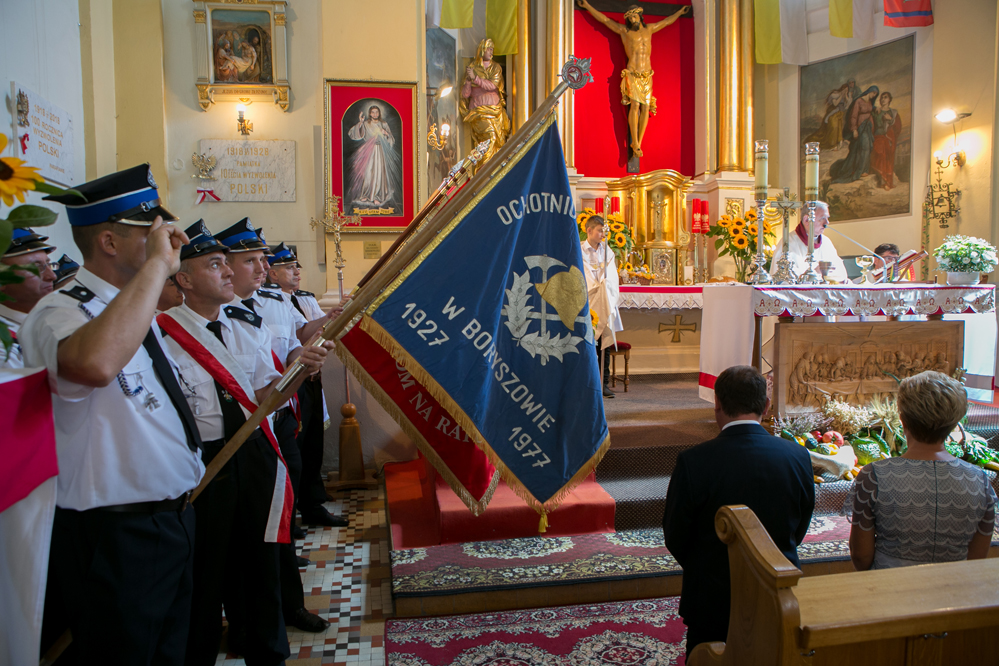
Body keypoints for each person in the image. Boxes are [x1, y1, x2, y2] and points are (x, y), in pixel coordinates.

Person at [22, 164, 204, 665]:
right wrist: (156, 269)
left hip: (170, 521)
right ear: (108, 242)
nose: (172, 240)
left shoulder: (132, 309)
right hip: (115, 535)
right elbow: (95, 365)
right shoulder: (58, 312)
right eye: (153, 232)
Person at [159, 223, 330, 664]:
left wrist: (300, 369)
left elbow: (266, 395)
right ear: (184, 278)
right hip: (204, 459)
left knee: (261, 560)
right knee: (206, 569)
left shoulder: (246, 325)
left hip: (253, 450)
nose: (228, 272)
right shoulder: (162, 335)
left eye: (225, 263)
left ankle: (266, 650)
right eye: (214, 265)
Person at [214, 220, 331, 634]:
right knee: (244, 538)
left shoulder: (255, 311)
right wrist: (297, 368)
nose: (263, 268)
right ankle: (249, 624)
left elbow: (282, 360)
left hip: (274, 424)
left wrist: (304, 363)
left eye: (264, 260)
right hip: (236, 438)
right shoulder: (202, 321)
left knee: (275, 523)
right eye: (251, 260)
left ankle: (286, 609)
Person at [663, 365, 814, 657]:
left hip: (711, 599)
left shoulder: (694, 461)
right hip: (777, 593)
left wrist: (708, 568)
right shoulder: (797, 456)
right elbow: (799, 526)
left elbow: (676, 536)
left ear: (717, 404)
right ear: (766, 406)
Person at [846, 371, 997, 570]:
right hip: (955, 586)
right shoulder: (980, 480)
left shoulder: (873, 476)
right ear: (955, 423)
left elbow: (861, 556)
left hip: (890, 586)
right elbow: (976, 559)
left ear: (902, 419)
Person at [263, 242, 346, 528]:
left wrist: (329, 318)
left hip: (306, 376)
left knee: (311, 444)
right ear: (272, 274)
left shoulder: (291, 300)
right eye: (289, 267)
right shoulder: (263, 302)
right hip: (281, 385)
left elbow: (302, 332)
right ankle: (290, 513)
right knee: (293, 450)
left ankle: (311, 504)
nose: (297, 272)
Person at [575, 1, 689, 158]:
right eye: (629, 18)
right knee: (635, 105)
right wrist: (587, 6)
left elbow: (666, 22)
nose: (632, 20)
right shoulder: (625, 31)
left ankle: (639, 142)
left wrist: (679, 13)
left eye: (634, 17)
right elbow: (605, 20)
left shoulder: (649, 29)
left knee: (646, 107)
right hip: (633, 73)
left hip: (647, 74)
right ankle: (634, 141)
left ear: (640, 16)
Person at [0, 227, 56, 369]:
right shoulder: (4, 342)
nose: (52, 276)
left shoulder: (54, 319)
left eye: (49, 265)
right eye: (36, 267)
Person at [581, 215, 622, 398]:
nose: (602, 234)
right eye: (599, 231)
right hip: (587, 300)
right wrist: (595, 287)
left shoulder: (607, 251)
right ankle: (586, 382)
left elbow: (611, 274)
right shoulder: (580, 250)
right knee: (587, 343)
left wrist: (605, 285)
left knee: (604, 343)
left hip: (604, 299)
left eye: (604, 231)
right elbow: (582, 273)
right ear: (589, 230)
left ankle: (603, 382)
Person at [458, 38, 512, 165]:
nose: (491, 52)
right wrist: (468, 82)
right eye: (489, 49)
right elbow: (465, 94)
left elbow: (493, 85)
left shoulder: (496, 68)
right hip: (479, 112)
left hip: (495, 112)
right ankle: (485, 171)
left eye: (492, 49)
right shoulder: (472, 67)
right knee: (490, 138)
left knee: (498, 141)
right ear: (482, 50)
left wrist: (476, 79)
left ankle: (494, 169)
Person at [769, 201, 848, 282]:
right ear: (806, 219)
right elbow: (782, 279)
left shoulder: (826, 242)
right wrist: (816, 272)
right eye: (822, 219)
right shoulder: (787, 243)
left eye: (827, 218)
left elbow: (841, 273)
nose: (827, 223)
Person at [346, 104, 401, 209]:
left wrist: (386, 134)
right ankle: (366, 194)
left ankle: (377, 196)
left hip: (379, 151)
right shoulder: (366, 124)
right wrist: (360, 123)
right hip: (369, 150)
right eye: (373, 112)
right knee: (367, 173)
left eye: (377, 112)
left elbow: (391, 139)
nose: (375, 114)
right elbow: (355, 134)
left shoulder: (383, 124)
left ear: (379, 113)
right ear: (370, 114)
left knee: (378, 173)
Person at [829, 86, 880, 184]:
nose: (874, 95)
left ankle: (864, 169)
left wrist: (875, 108)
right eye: (874, 93)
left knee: (869, 147)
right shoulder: (858, 101)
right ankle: (860, 170)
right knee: (864, 147)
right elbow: (853, 116)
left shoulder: (869, 102)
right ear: (869, 91)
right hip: (861, 128)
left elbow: (869, 109)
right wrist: (854, 130)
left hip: (868, 128)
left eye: (875, 94)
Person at [871, 92, 901, 190]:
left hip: (889, 139)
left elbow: (898, 127)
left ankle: (887, 182)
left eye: (885, 97)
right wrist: (874, 109)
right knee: (881, 151)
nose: (883, 99)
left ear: (889, 100)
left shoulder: (894, 113)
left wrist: (890, 119)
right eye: (881, 98)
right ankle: (883, 181)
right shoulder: (876, 111)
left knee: (887, 156)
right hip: (877, 137)